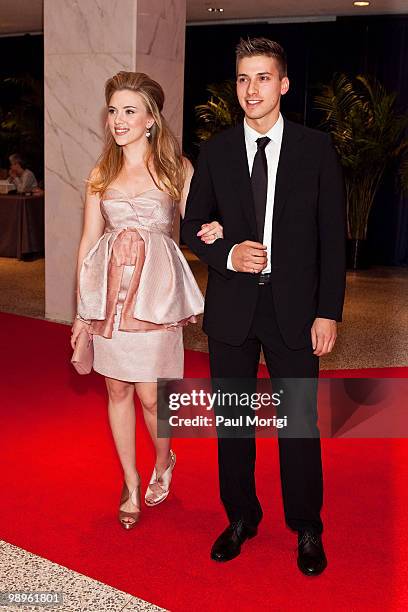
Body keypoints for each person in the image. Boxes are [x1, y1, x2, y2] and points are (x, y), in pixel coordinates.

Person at [182, 37, 346, 575]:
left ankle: (306, 527)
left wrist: (329, 311)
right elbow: (191, 224)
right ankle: (240, 518)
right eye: (242, 79)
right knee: (233, 422)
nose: (250, 89)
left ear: (283, 84)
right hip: (232, 307)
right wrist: (227, 252)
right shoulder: (218, 150)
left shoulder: (314, 148)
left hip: (295, 311)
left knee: (298, 424)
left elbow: (331, 239)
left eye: (261, 78)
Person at [71, 71, 223, 530]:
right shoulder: (101, 174)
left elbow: (199, 223)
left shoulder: (179, 168)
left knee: (153, 397)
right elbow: (87, 242)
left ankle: (164, 460)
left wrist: (217, 232)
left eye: (129, 111)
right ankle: (131, 483)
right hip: (111, 294)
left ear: (151, 119)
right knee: (116, 388)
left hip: (156, 294)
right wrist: (81, 310)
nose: (118, 120)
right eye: (113, 111)